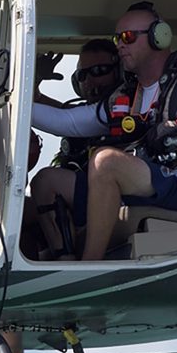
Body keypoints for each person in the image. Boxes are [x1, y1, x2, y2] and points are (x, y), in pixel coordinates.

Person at [31, 2, 177, 260]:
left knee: (106, 161)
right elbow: (68, 122)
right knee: (46, 182)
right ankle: (64, 260)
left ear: (159, 37)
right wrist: (13, 103)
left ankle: (89, 264)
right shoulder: (129, 94)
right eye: (117, 38)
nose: (120, 45)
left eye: (127, 37)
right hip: (151, 185)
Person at [26, 39, 122, 259]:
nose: (89, 81)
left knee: (46, 180)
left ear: (118, 71)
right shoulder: (84, 111)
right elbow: (45, 107)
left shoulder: (119, 110)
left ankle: (66, 260)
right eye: (82, 75)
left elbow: (62, 120)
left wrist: (10, 102)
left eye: (99, 71)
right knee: (22, 211)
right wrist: (36, 78)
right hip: (83, 194)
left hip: (110, 194)